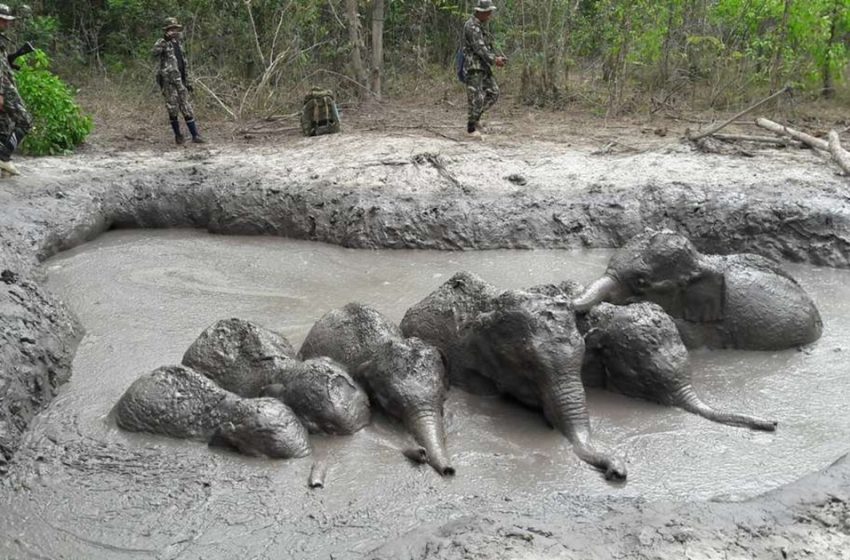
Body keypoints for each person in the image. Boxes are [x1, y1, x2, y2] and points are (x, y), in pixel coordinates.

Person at [152, 17, 205, 145]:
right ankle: (178, 136)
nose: (174, 31)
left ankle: (195, 135)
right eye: (171, 29)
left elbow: (184, 64)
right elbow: (154, 53)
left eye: (175, 29)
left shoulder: (179, 44)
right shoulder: (162, 42)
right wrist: (164, 39)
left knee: (187, 107)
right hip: (169, 82)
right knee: (172, 109)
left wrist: (188, 82)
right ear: (167, 30)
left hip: (180, 81)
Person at [462, 0, 506, 140]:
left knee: (494, 92)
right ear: (481, 12)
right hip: (473, 67)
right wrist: (494, 60)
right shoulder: (471, 26)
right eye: (488, 12)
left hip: (483, 66)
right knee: (475, 98)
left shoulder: (481, 26)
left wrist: (496, 57)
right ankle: (470, 129)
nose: (490, 15)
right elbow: (479, 49)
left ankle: (476, 119)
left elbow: (487, 47)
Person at [0, 3, 32, 176]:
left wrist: (9, 61)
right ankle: (4, 157)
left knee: (3, 127)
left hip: (4, 85)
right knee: (25, 120)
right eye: (3, 20)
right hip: (4, 87)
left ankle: (3, 165)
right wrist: (0, 94)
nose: (7, 24)